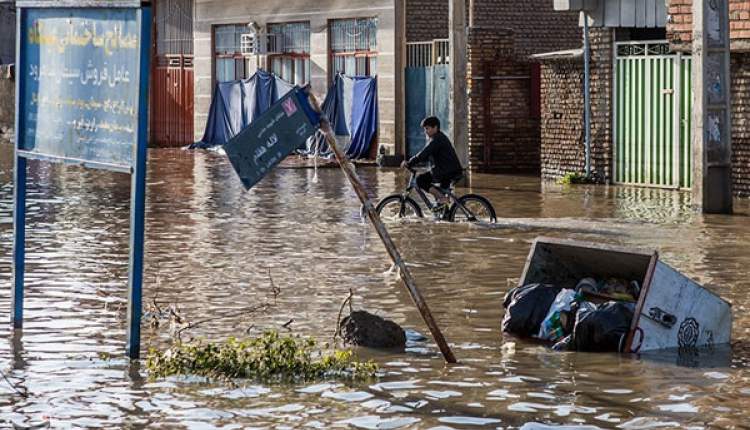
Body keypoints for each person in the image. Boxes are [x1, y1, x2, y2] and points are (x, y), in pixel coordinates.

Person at [400, 116, 463, 213]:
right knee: (441, 207)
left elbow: (424, 153)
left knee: (420, 180)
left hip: (447, 170)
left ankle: (442, 198)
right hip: (448, 170)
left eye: (427, 128)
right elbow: (426, 156)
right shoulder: (438, 138)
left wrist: (410, 162)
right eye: (425, 129)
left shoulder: (437, 140)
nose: (425, 131)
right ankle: (444, 212)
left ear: (435, 128)